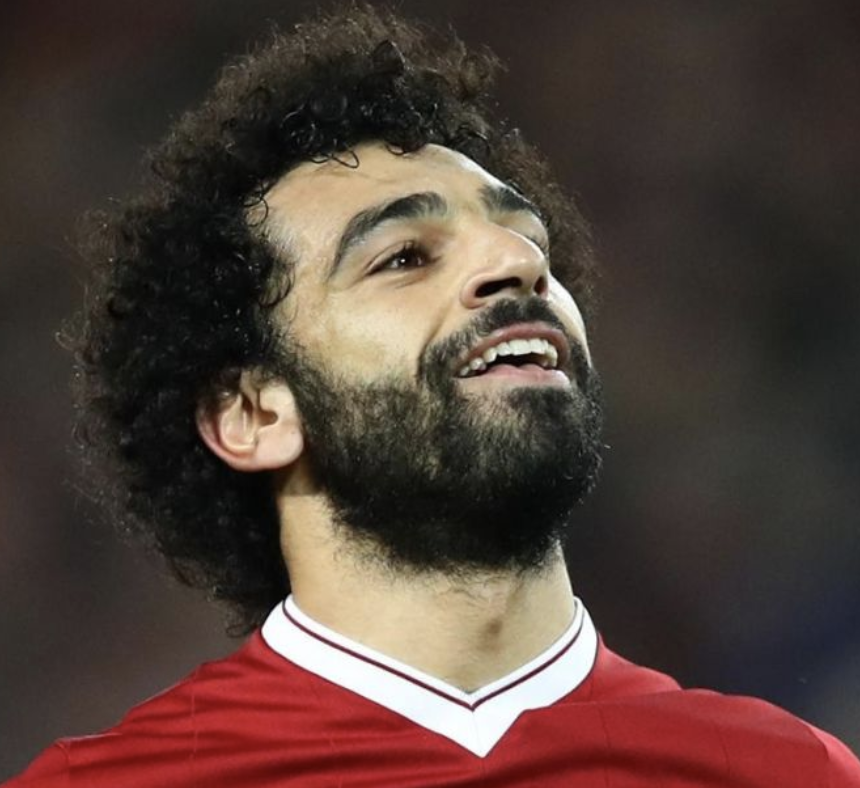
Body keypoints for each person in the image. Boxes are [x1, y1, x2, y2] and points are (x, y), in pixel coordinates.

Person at [5, 5, 859, 787]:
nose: (516, 264)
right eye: (404, 258)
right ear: (254, 412)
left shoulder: (788, 774)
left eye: (528, 240)